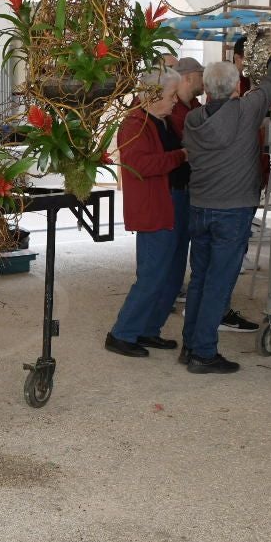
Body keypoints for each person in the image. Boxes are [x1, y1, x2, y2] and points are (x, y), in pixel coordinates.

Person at [179, 18, 271, 373]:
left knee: (200, 279)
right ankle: (203, 353)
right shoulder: (245, 112)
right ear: (235, 89)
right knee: (219, 283)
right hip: (232, 212)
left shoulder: (192, 120)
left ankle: (189, 346)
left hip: (200, 209)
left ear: (207, 90)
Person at [105, 70, 190, 358]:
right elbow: (141, 165)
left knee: (171, 274)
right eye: (170, 96)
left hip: (172, 201)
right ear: (152, 96)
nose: (175, 101)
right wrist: (181, 156)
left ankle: (148, 329)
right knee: (153, 274)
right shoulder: (134, 124)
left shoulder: (160, 120)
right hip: (156, 207)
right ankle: (122, 333)